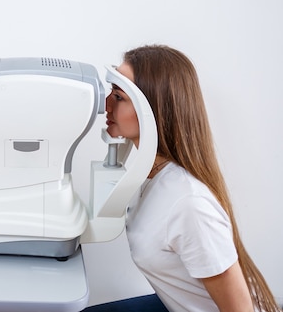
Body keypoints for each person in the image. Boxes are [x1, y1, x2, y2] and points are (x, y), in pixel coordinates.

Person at [86, 45, 280, 312]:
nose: (105, 104)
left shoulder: (188, 204)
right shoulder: (151, 174)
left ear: (151, 109)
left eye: (119, 96)